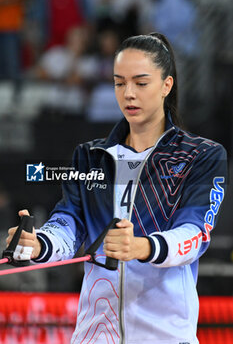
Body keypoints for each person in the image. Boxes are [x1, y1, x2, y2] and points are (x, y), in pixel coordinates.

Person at [7, 33, 227, 343]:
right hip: (95, 334)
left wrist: (143, 247)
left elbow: (196, 234)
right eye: (119, 83)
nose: (128, 94)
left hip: (165, 335)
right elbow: (68, 225)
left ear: (167, 85)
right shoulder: (90, 155)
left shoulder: (201, 155)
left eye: (141, 82)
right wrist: (39, 245)